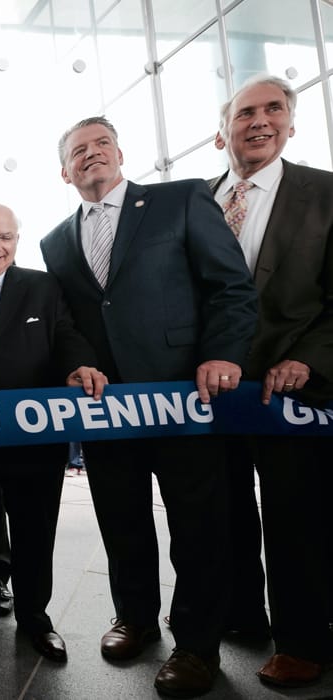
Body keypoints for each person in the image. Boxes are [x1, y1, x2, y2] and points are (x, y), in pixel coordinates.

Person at [42, 116, 257, 697]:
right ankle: (134, 616)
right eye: (77, 151)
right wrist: (79, 363)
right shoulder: (55, 241)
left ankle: (196, 644)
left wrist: (222, 353)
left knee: (197, 526)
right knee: (121, 518)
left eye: (101, 144)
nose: (91, 155)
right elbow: (73, 323)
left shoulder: (180, 199)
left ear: (120, 152)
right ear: (65, 171)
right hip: (109, 408)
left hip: (186, 398)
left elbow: (230, 286)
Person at [0, 203, 105, 663]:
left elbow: (66, 335)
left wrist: (80, 365)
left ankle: (36, 617)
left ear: (16, 241)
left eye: (5, 238)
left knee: (35, 533)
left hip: (33, 439)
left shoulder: (42, 286)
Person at [211, 74, 333, 688]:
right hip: (211, 394)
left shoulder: (325, 193)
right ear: (222, 131)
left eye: (273, 110)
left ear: (290, 122)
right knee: (227, 512)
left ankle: (305, 642)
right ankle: (243, 615)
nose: (260, 121)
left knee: (295, 520)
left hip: (290, 392)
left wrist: (307, 359)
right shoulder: (197, 200)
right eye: (246, 112)